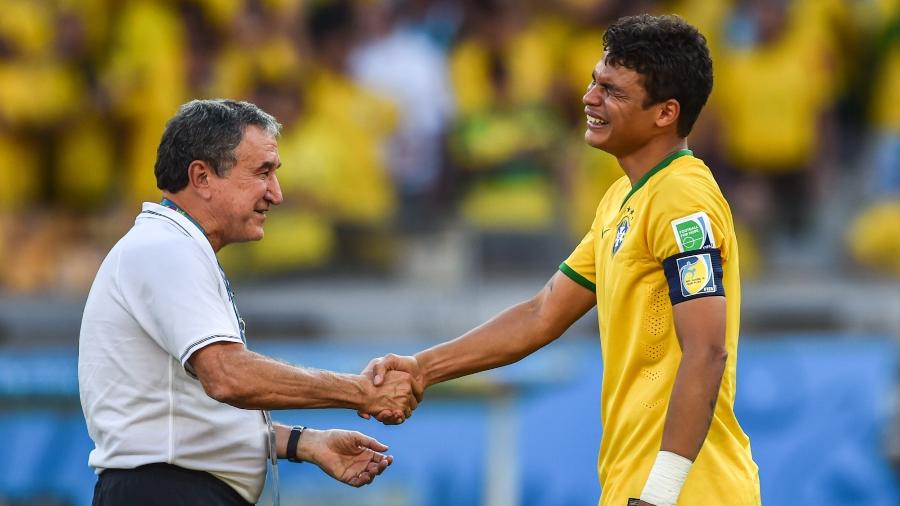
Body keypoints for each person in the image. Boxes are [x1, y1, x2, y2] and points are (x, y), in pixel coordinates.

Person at [362, 14, 761, 506]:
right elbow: (542, 313)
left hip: (687, 492)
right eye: (594, 81)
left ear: (664, 113)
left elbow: (707, 350)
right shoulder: (624, 198)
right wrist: (423, 368)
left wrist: (659, 494)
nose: (589, 99)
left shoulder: (682, 198)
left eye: (612, 91)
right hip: (635, 485)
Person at [78, 99, 419, 506]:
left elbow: (189, 415)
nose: (276, 194)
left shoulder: (170, 246)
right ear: (201, 177)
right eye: (262, 172)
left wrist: (304, 443)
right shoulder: (166, 248)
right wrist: (360, 391)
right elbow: (227, 376)